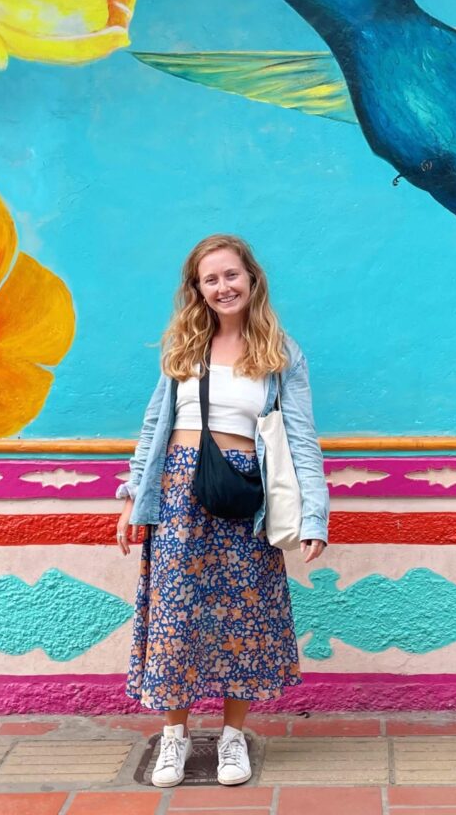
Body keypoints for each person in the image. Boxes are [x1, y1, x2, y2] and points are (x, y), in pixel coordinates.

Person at [116, 234, 329, 789]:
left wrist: (314, 517)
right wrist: (132, 499)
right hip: (180, 496)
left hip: (242, 496)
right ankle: (174, 737)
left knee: (243, 615)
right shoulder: (184, 347)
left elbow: (302, 439)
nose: (222, 287)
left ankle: (233, 737)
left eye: (231, 275)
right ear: (197, 289)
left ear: (252, 279)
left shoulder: (281, 352)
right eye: (210, 279)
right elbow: (151, 431)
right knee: (175, 616)